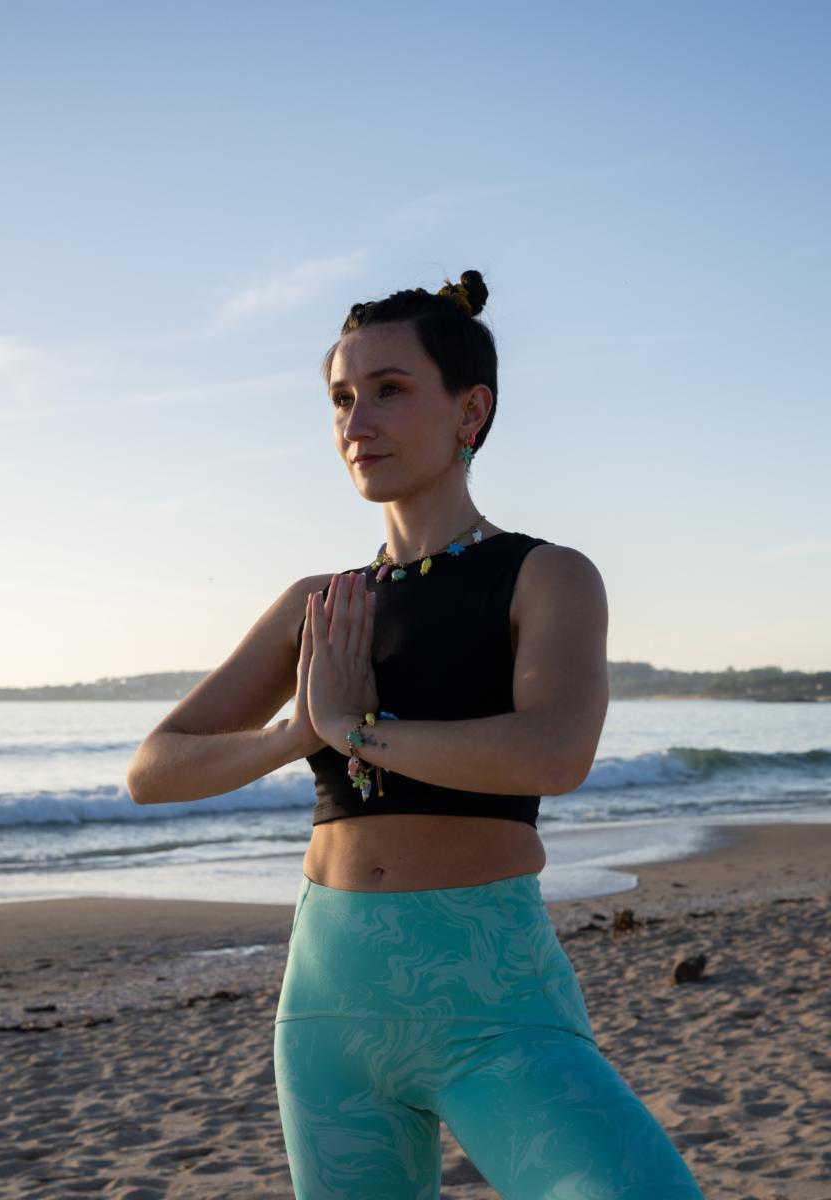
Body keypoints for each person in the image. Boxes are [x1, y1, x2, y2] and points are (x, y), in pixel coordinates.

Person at [126, 270, 706, 1198]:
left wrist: (358, 728)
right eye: (342, 399)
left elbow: (554, 750)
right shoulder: (317, 607)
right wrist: (298, 735)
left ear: (470, 411)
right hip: (327, 1016)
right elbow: (154, 771)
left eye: (390, 391)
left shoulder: (546, 576)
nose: (358, 421)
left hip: (495, 1006)